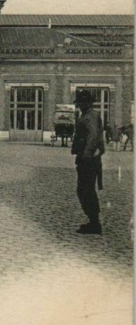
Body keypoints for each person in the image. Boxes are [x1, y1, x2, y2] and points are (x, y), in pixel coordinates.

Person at [71, 90, 105, 235]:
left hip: (89, 159)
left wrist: (86, 155)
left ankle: (95, 223)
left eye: (80, 103)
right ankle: (93, 221)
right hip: (87, 158)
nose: (78, 105)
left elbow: (92, 137)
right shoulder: (87, 115)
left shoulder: (91, 116)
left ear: (87, 103)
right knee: (85, 190)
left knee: (86, 190)